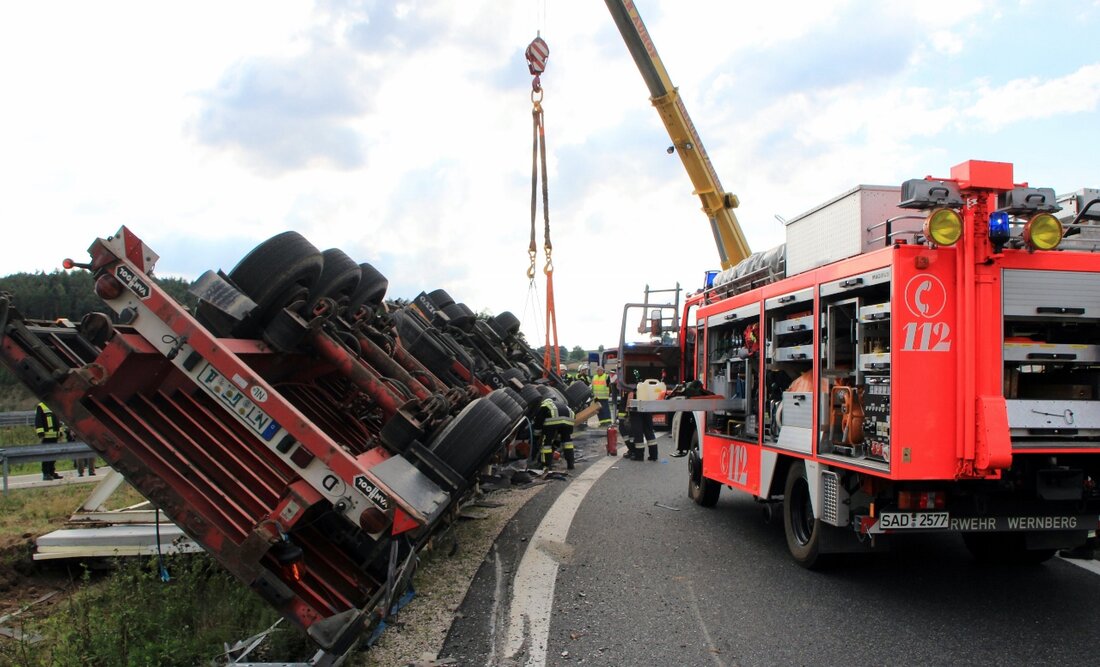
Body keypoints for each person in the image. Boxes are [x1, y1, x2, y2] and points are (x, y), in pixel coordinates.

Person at [534, 395, 576, 470]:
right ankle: (571, 464)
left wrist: (536, 436)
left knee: (546, 444)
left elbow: (538, 423)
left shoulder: (544, 406)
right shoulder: (560, 404)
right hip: (570, 419)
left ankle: (546, 465)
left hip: (553, 421)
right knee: (567, 442)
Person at [35, 401, 63, 480]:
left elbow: (58, 420)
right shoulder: (41, 406)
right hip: (46, 436)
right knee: (46, 455)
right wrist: (41, 433)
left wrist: (60, 432)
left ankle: (51, 472)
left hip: (55, 435)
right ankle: (46, 473)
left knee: (54, 455)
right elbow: (38, 420)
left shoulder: (54, 405)